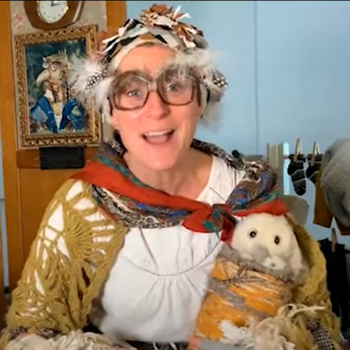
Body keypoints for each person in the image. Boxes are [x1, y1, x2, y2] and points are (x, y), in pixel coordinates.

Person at [0, 4, 341, 350]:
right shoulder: (82, 204)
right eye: (132, 91)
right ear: (112, 112)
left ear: (201, 101)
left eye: (175, 85)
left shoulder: (247, 194)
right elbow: (31, 326)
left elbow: (309, 320)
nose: (156, 108)